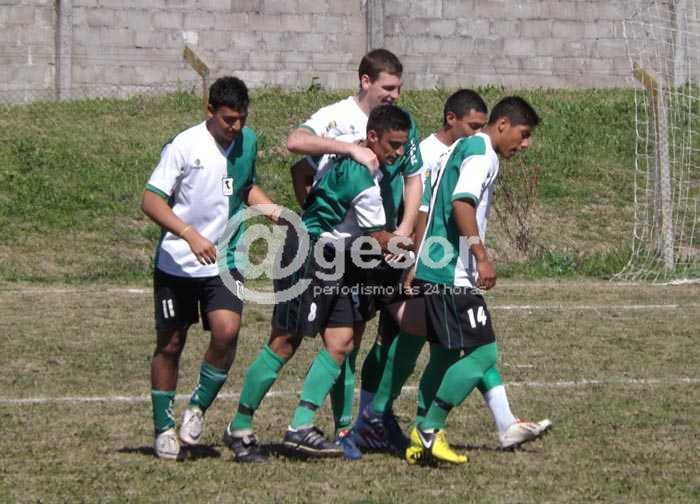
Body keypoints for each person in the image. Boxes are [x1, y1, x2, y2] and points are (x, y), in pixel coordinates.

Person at [225, 49, 423, 461]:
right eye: (393, 146)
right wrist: (415, 250)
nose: (398, 155)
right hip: (310, 254)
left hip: (339, 257)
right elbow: (380, 238)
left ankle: (300, 426)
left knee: (341, 341)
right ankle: (240, 426)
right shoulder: (362, 175)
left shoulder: (370, 163)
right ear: (371, 139)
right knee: (285, 342)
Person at [365, 90, 551, 454]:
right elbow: (461, 203)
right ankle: (428, 428)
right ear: (503, 124)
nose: (525, 144)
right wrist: (481, 256)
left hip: (436, 267)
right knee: (483, 355)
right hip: (452, 272)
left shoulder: (458, 150)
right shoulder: (481, 153)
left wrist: (419, 262)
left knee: (446, 354)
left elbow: (428, 208)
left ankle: (424, 434)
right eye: (524, 134)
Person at [142, 76, 283, 460]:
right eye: (228, 120)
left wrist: (272, 210)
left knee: (227, 332)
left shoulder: (248, 141)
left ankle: (197, 407)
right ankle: (163, 428)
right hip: (178, 262)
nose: (236, 127)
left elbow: (244, 186)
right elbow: (151, 200)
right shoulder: (184, 145)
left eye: (241, 119)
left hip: (225, 259)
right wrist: (189, 234)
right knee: (171, 343)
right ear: (210, 111)